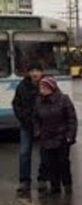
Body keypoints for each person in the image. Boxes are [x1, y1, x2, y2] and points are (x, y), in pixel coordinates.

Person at [32, 77, 77, 195]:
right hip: (46, 137)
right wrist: (38, 132)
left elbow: (71, 119)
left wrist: (70, 135)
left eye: (44, 87)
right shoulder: (38, 101)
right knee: (49, 163)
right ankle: (55, 186)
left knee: (63, 162)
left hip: (61, 136)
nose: (41, 89)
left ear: (51, 88)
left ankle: (67, 185)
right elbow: (35, 119)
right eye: (40, 87)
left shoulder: (64, 99)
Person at [12, 62, 48, 193]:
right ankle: (24, 181)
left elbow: (56, 101)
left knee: (45, 153)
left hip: (44, 125)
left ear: (42, 72)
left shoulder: (48, 84)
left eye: (37, 70)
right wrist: (22, 117)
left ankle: (43, 180)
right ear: (28, 73)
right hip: (26, 125)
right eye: (32, 71)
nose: (34, 73)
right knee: (24, 153)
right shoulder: (22, 86)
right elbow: (16, 104)